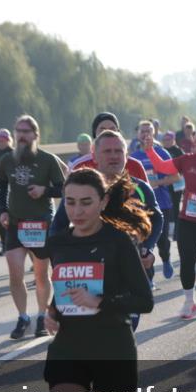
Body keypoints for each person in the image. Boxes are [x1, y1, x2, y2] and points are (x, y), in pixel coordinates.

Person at [42, 168, 155, 392]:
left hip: (113, 348)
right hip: (69, 349)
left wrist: (101, 301)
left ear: (103, 201)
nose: (77, 211)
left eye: (86, 203)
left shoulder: (118, 241)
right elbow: (61, 289)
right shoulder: (58, 241)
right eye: (70, 202)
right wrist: (52, 312)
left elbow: (144, 300)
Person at [51, 130, 162, 330]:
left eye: (118, 151)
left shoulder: (141, 189)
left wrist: (149, 250)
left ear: (126, 155)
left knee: (122, 329)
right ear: (94, 155)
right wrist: (62, 263)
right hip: (86, 277)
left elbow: (158, 219)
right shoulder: (80, 190)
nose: (113, 156)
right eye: (107, 151)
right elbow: (57, 228)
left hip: (127, 278)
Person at [145, 125, 196, 319]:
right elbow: (162, 167)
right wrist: (150, 150)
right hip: (187, 220)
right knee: (187, 261)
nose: (194, 141)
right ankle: (189, 302)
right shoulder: (187, 160)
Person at [0, 115, 66, 339]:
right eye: (18, 131)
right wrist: (3, 211)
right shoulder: (7, 160)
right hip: (16, 225)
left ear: (36, 135)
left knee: (40, 274)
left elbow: (63, 189)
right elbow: (1, 190)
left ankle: (40, 317)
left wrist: (43, 190)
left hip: (40, 224)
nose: (22, 136)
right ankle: (22, 317)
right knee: (15, 273)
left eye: (26, 131)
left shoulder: (47, 160)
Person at [130, 121, 179, 280]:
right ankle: (149, 278)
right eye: (142, 131)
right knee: (143, 242)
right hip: (141, 206)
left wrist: (156, 183)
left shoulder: (162, 153)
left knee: (162, 239)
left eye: (148, 131)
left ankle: (165, 259)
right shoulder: (132, 157)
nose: (145, 134)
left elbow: (175, 177)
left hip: (162, 202)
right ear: (138, 134)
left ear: (154, 134)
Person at [69, 113, 148, 182]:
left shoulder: (135, 166)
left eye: (112, 129)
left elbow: (147, 195)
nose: (108, 133)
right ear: (94, 135)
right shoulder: (80, 166)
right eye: (102, 130)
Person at [0, 128, 14, 254]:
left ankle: (14, 244)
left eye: (3, 140)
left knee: (14, 219)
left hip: (13, 189)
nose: (1, 142)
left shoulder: (13, 153)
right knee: (1, 218)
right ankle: (4, 245)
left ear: (8, 140)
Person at [161, 130, 184, 243]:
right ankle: (164, 231)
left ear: (173, 140)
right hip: (164, 183)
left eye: (168, 139)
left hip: (176, 184)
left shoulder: (178, 151)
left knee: (175, 207)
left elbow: (183, 166)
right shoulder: (161, 151)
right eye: (164, 140)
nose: (166, 142)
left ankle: (176, 233)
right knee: (166, 207)